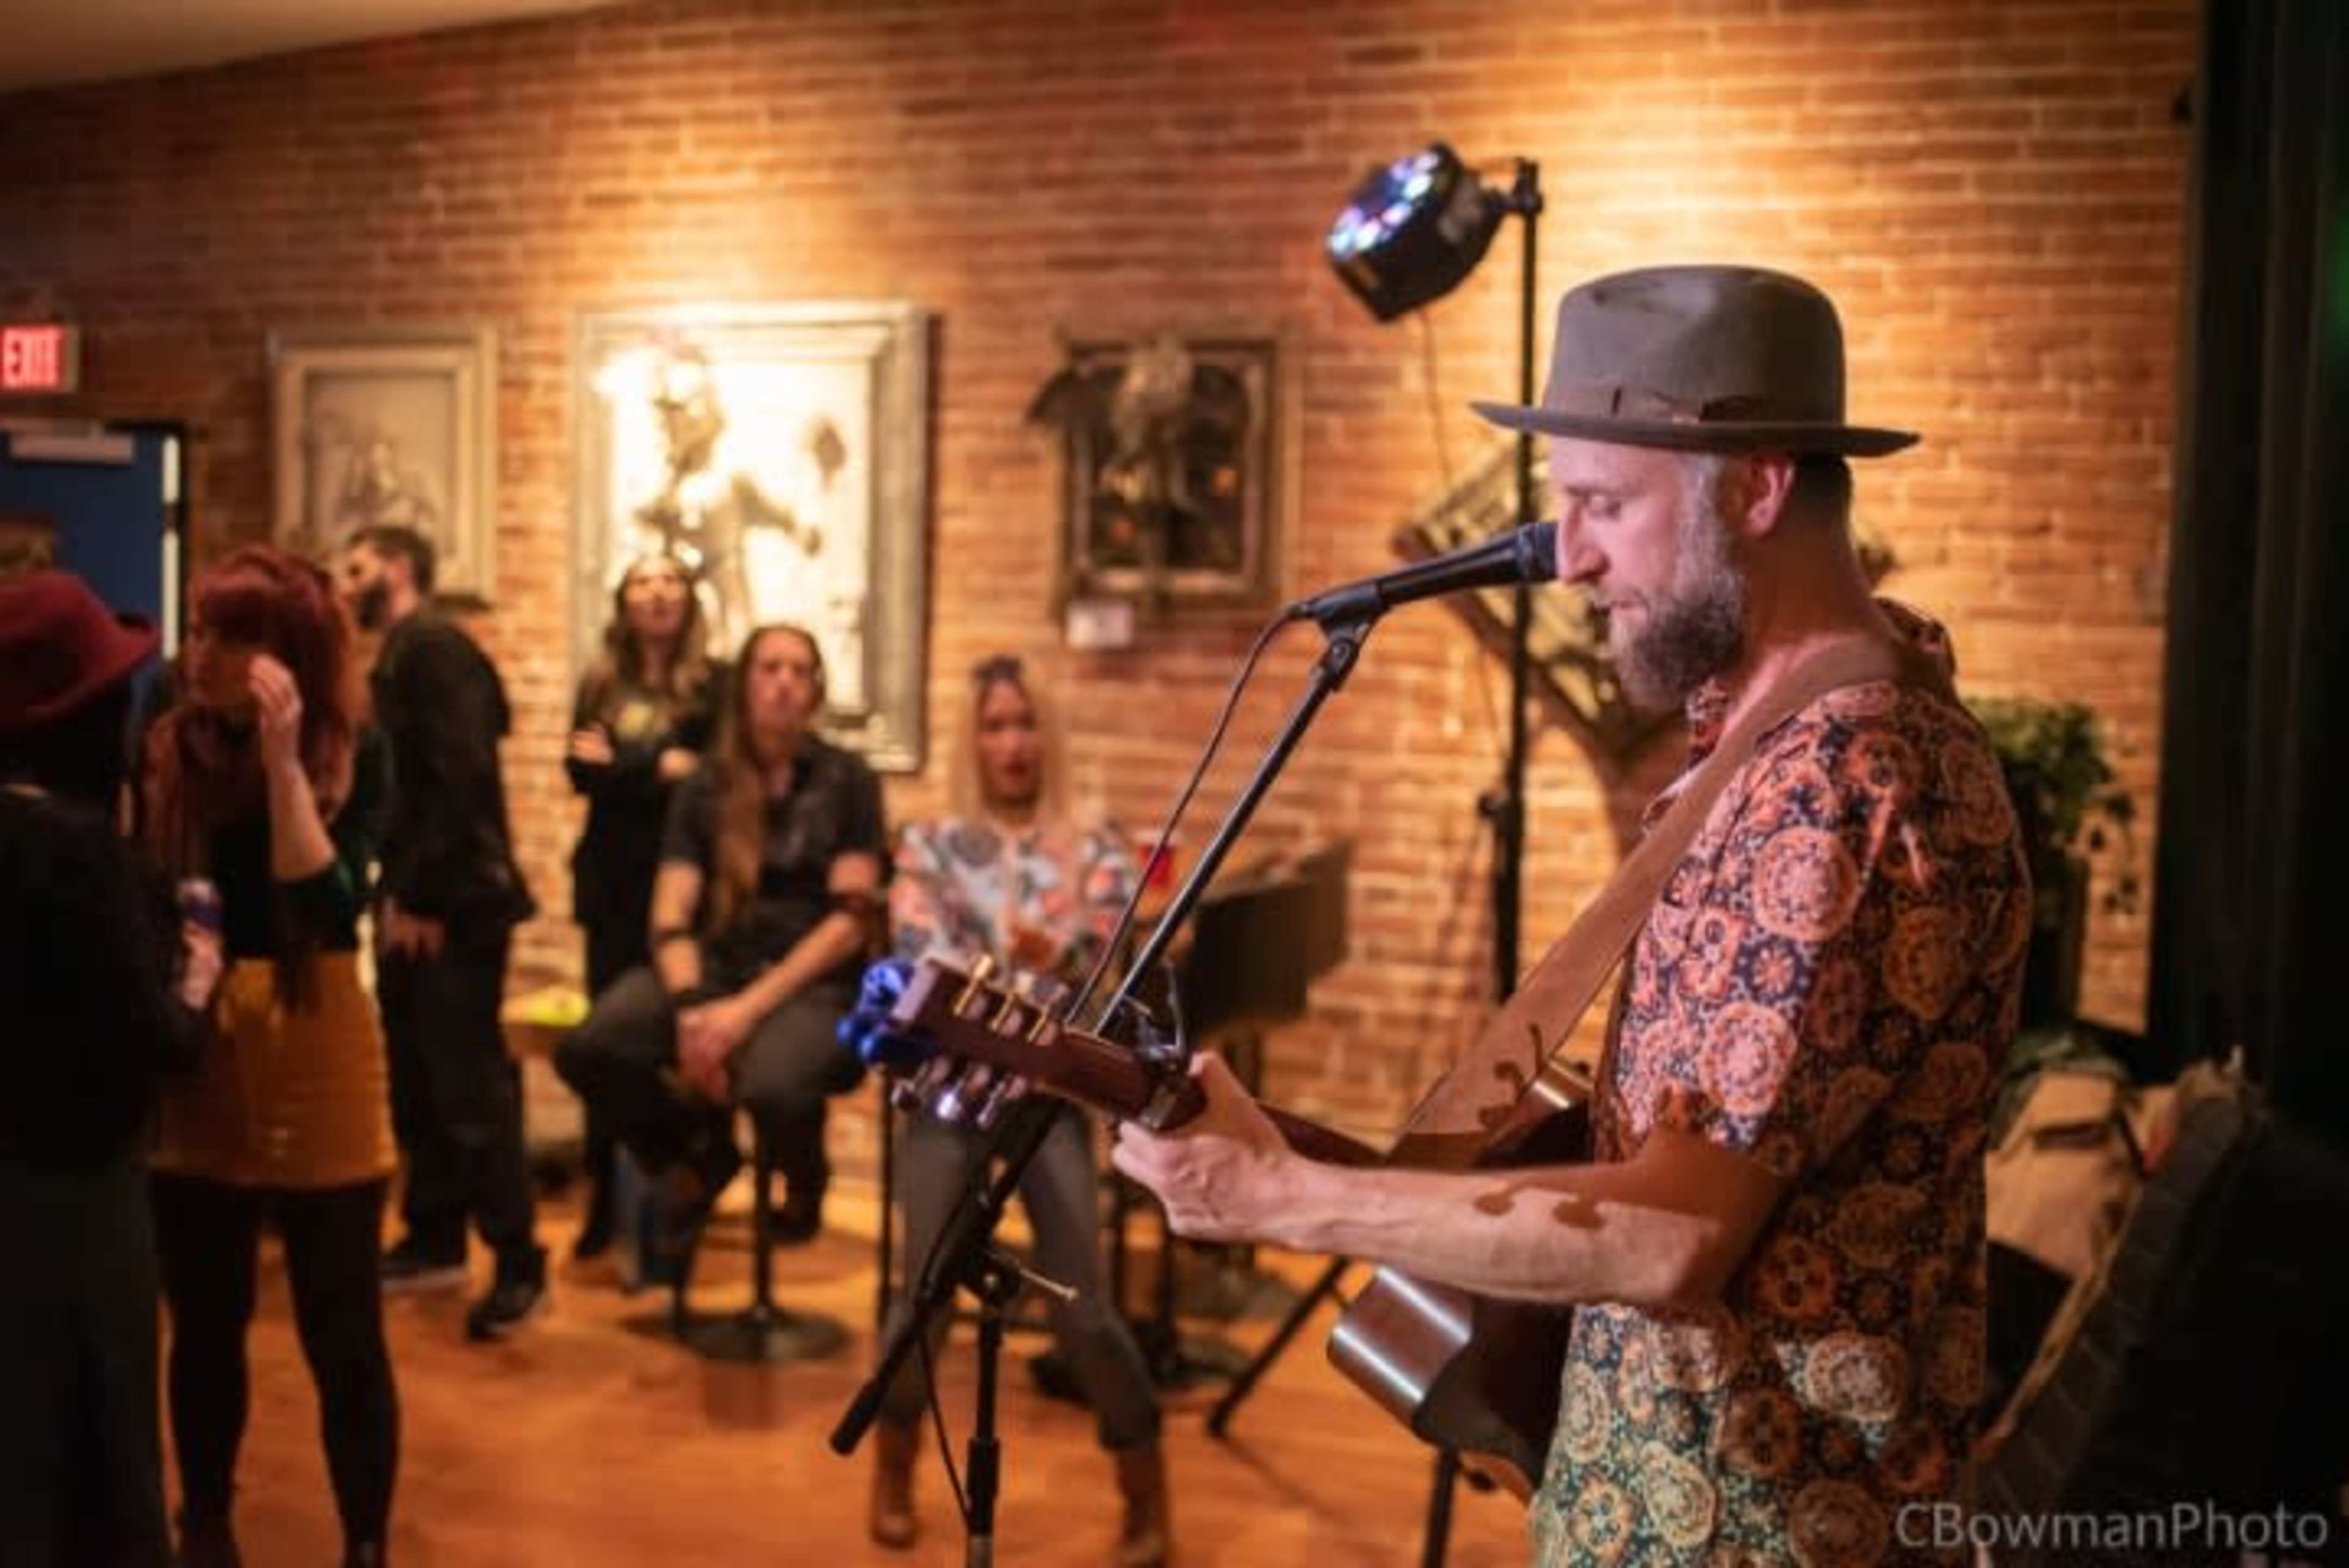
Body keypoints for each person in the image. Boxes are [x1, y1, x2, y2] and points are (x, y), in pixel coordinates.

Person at [1111, 266, 2031, 1566]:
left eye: (1605, 504)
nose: (1571, 556)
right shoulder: (1780, 740)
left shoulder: (1838, 781)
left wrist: (1287, 1198)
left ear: (1758, 489)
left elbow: (1668, 1234)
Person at [867, 654, 1170, 1566]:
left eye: (1026, 723)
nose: (1012, 743)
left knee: (1083, 1305)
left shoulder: (1093, 844)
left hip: (1048, 1093)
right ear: (973, 740)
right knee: (923, 1296)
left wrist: (1051, 955)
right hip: (951, 1088)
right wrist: (1033, 957)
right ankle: (893, 1465)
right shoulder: (929, 842)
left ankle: (1145, 1487)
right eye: (995, 726)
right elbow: (923, 952)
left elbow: (1114, 957)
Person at [138, 544, 400, 1568]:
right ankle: (205, 1524)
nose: (197, 651)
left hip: (317, 1029)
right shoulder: (165, 743)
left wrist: (285, 763)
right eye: (199, 627)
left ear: (285, 655)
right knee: (206, 1319)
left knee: (343, 1327)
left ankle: (365, 1542)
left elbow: (328, 908)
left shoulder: (351, 752)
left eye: (226, 634)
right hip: (202, 1036)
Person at [555, 623, 881, 1270]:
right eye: (770, 668)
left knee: (772, 1082)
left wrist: (739, 1015)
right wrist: (691, 1010)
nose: (784, 683)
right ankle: (700, 1153)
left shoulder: (848, 780)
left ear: (816, 690)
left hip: (808, 980)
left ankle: (803, 1172)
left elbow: (849, 924)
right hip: (717, 965)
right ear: (745, 686)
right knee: (593, 1046)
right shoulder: (704, 785)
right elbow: (671, 913)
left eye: (799, 670)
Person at [0, 569, 195, 1568]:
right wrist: (199, 975)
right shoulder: (80, 855)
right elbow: (159, 1041)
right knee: (104, 1454)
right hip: (82, 1201)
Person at [335, 524, 545, 1340]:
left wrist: (422, 895)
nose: (345, 584)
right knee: (420, 1080)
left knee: (468, 1086)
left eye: (356, 567)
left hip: (454, 908)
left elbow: (462, 778)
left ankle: (519, 1259)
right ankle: (435, 1236)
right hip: (415, 901)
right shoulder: (404, 654)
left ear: (396, 568)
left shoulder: (434, 650)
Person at [563, 553, 724, 1259]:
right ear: (623, 600)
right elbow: (579, 769)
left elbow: (712, 776)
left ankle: (694, 1175)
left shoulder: (715, 686)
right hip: (611, 885)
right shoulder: (602, 680)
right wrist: (659, 764)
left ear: (688, 599)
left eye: (670, 581)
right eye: (642, 581)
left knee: (684, 1035)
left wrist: (623, 764)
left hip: (686, 890)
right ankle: (604, 1197)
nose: (657, 592)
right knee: (603, 1039)